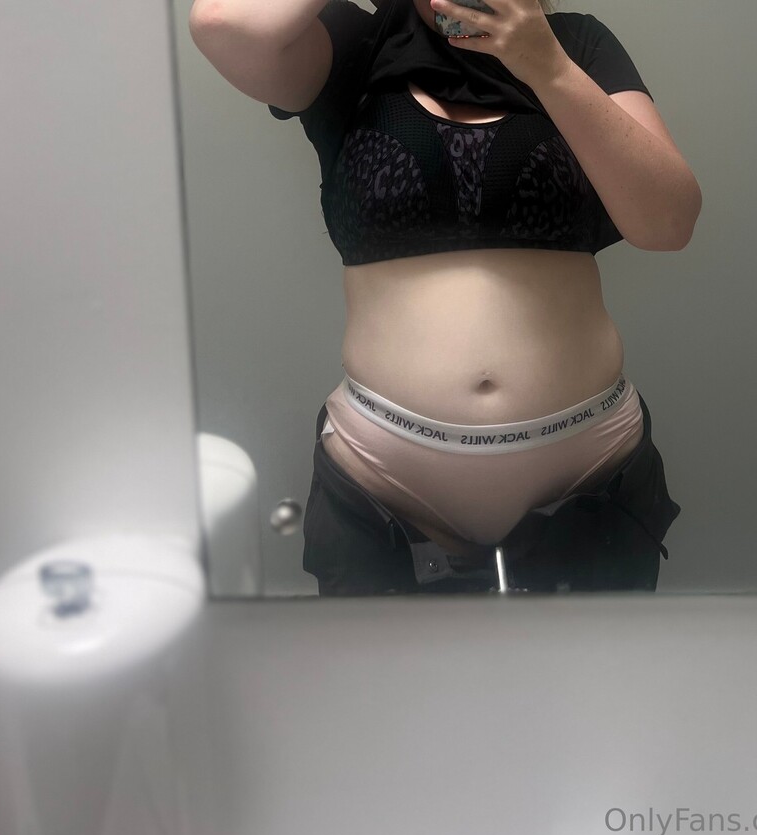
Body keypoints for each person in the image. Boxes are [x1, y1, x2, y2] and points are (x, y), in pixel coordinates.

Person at [190, 0, 702, 594]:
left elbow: (669, 223)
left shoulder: (576, 44)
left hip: (589, 478)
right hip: (383, 485)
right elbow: (224, 25)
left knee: (602, 661)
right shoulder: (355, 42)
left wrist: (548, 66)